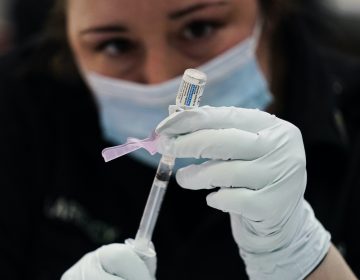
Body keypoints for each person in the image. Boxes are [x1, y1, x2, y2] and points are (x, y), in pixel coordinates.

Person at [0, 0, 359, 279]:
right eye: (114, 46)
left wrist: (305, 259)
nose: (162, 78)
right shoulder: (20, 107)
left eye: (198, 28)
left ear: (269, 10)